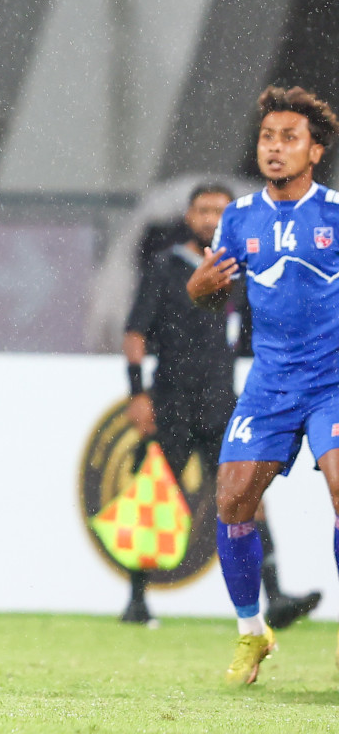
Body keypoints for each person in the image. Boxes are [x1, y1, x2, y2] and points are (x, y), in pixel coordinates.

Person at [188, 85, 339, 684]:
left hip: (333, 380)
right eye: (267, 138)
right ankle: (254, 633)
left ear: (315, 151)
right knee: (231, 500)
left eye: (289, 139)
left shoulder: (334, 214)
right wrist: (200, 290)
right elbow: (211, 290)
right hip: (271, 385)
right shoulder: (240, 215)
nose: (275, 149)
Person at [122, 182, 321, 628]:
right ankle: (136, 600)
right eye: (203, 209)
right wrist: (138, 393)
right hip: (172, 400)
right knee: (156, 496)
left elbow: (261, 332)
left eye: (220, 210)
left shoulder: (242, 272)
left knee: (247, 493)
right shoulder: (165, 268)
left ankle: (276, 595)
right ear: (189, 218)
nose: (212, 218)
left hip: (221, 402)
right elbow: (135, 334)